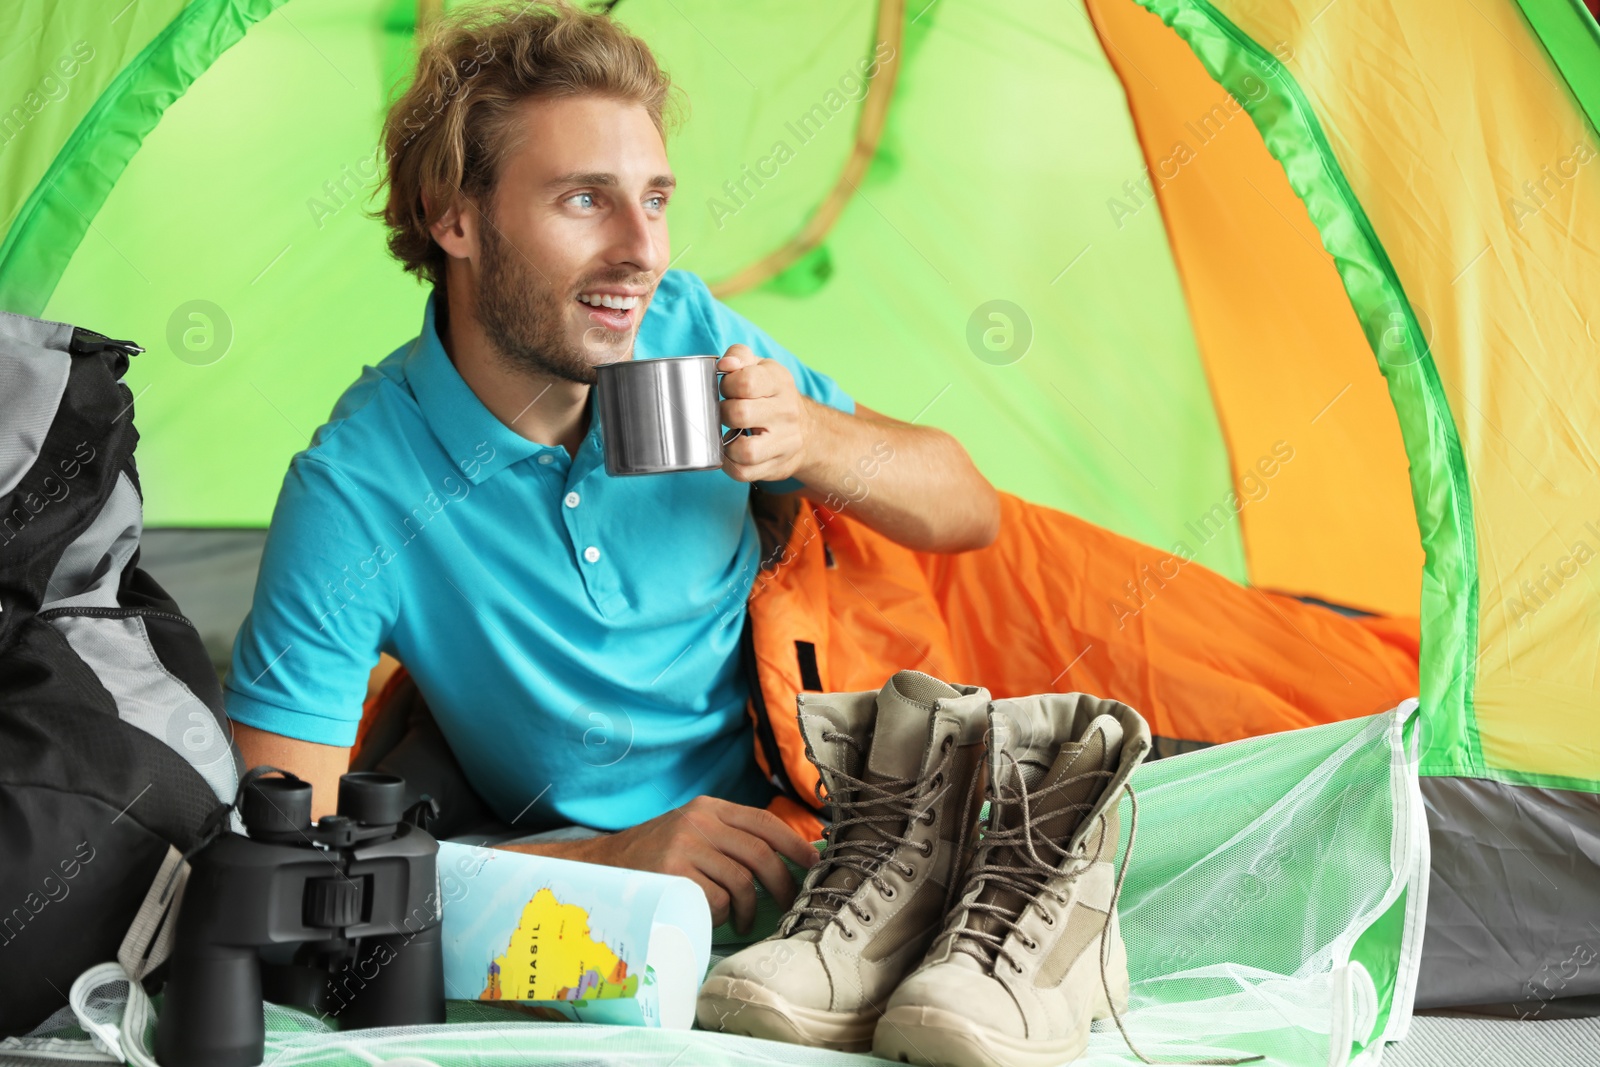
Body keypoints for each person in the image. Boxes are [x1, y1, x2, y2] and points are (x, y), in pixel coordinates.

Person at [223, 0, 999, 933]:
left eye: (657, 198)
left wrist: (813, 440)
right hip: (624, 898)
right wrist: (609, 861)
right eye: (586, 198)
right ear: (452, 218)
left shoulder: (691, 336)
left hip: (844, 781)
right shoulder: (357, 490)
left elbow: (971, 510)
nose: (643, 251)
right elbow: (284, 855)